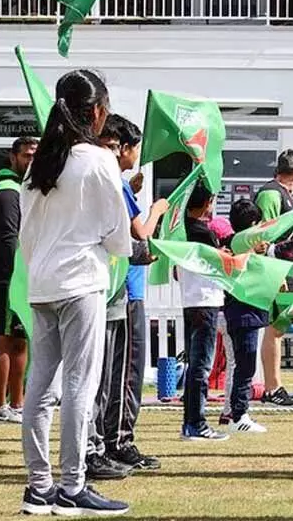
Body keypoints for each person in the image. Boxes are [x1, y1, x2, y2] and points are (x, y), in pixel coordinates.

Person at [18, 70, 132, 516]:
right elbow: (119, 238)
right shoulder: (97, 159)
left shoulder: (39, 164)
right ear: (98, 111)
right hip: (81, 281)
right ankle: (72, 486)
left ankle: (38, 486)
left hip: (42, 282)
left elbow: (28, 235)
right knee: (79, 387)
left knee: (40, 387)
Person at [87, 115, 168, 478]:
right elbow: (140, 237)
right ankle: (116, 440)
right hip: (125, 289)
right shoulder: (113, 184)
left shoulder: (115, 185)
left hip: (118, 287)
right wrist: (157, 211)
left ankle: (111, 441)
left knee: (114, 374)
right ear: (124, 148)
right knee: (122, 373)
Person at [0, 136, 36, 423]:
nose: (31, 161)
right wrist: (16, 274)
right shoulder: (7, 190)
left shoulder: (24, 189)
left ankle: (18, 405)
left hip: (22, 275)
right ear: (13, 157)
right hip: (7, 275)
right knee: (3, 340)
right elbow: (8, 240)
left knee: (20, 341)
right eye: (26, 155)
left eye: (35, 156)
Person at [257, 150, 293, 409]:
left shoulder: (286, 194)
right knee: (274, 329)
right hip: (279, 271)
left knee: (281, 327)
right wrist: (276, 273)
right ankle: (271, 387)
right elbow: (267, 236)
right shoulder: (271, 194)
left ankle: (276, 384)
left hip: (291, 269)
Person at [220, 199, 274, 434]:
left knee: (243, 365)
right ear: (252, 224)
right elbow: (238, 266)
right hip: (242, 313)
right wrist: (253, 251)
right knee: (244, 366)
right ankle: (238, 414)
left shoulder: (242, 246)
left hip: (250, 312)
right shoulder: (231, 246)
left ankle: (236, 412)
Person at [179, 185, 229, 441]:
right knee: (201, 366)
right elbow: (220, 268)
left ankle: (190, 421)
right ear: (208, 202)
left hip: (189, 299)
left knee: (193, 364)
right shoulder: (204, 233)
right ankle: (196, 423)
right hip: (206, 300)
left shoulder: (180, 231)